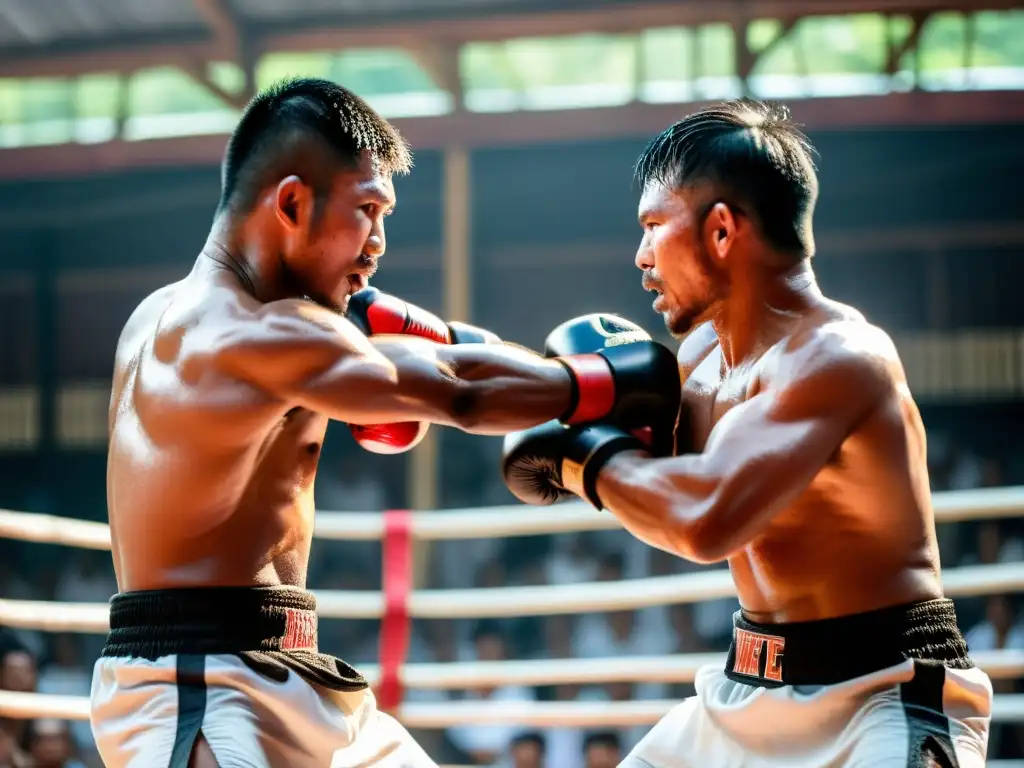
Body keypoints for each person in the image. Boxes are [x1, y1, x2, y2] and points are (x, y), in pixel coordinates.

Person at [91, 77, 682, 768]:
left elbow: (447, 347)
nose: (377, 244)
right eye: (367, 210)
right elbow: (455, 389)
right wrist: (604, 382)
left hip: (274, 669)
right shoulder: (255, 333)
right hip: (203, 691)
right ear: (290, 203)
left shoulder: (169, 313)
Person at [501, 99, 992, 766]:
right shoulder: (700, 361)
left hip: (881, 691)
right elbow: (665, 495)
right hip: (746, 688)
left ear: (723, 230)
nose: (641, 256)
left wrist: (576, 459)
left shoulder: (838, 357)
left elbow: (706, 518)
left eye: (652, 226)